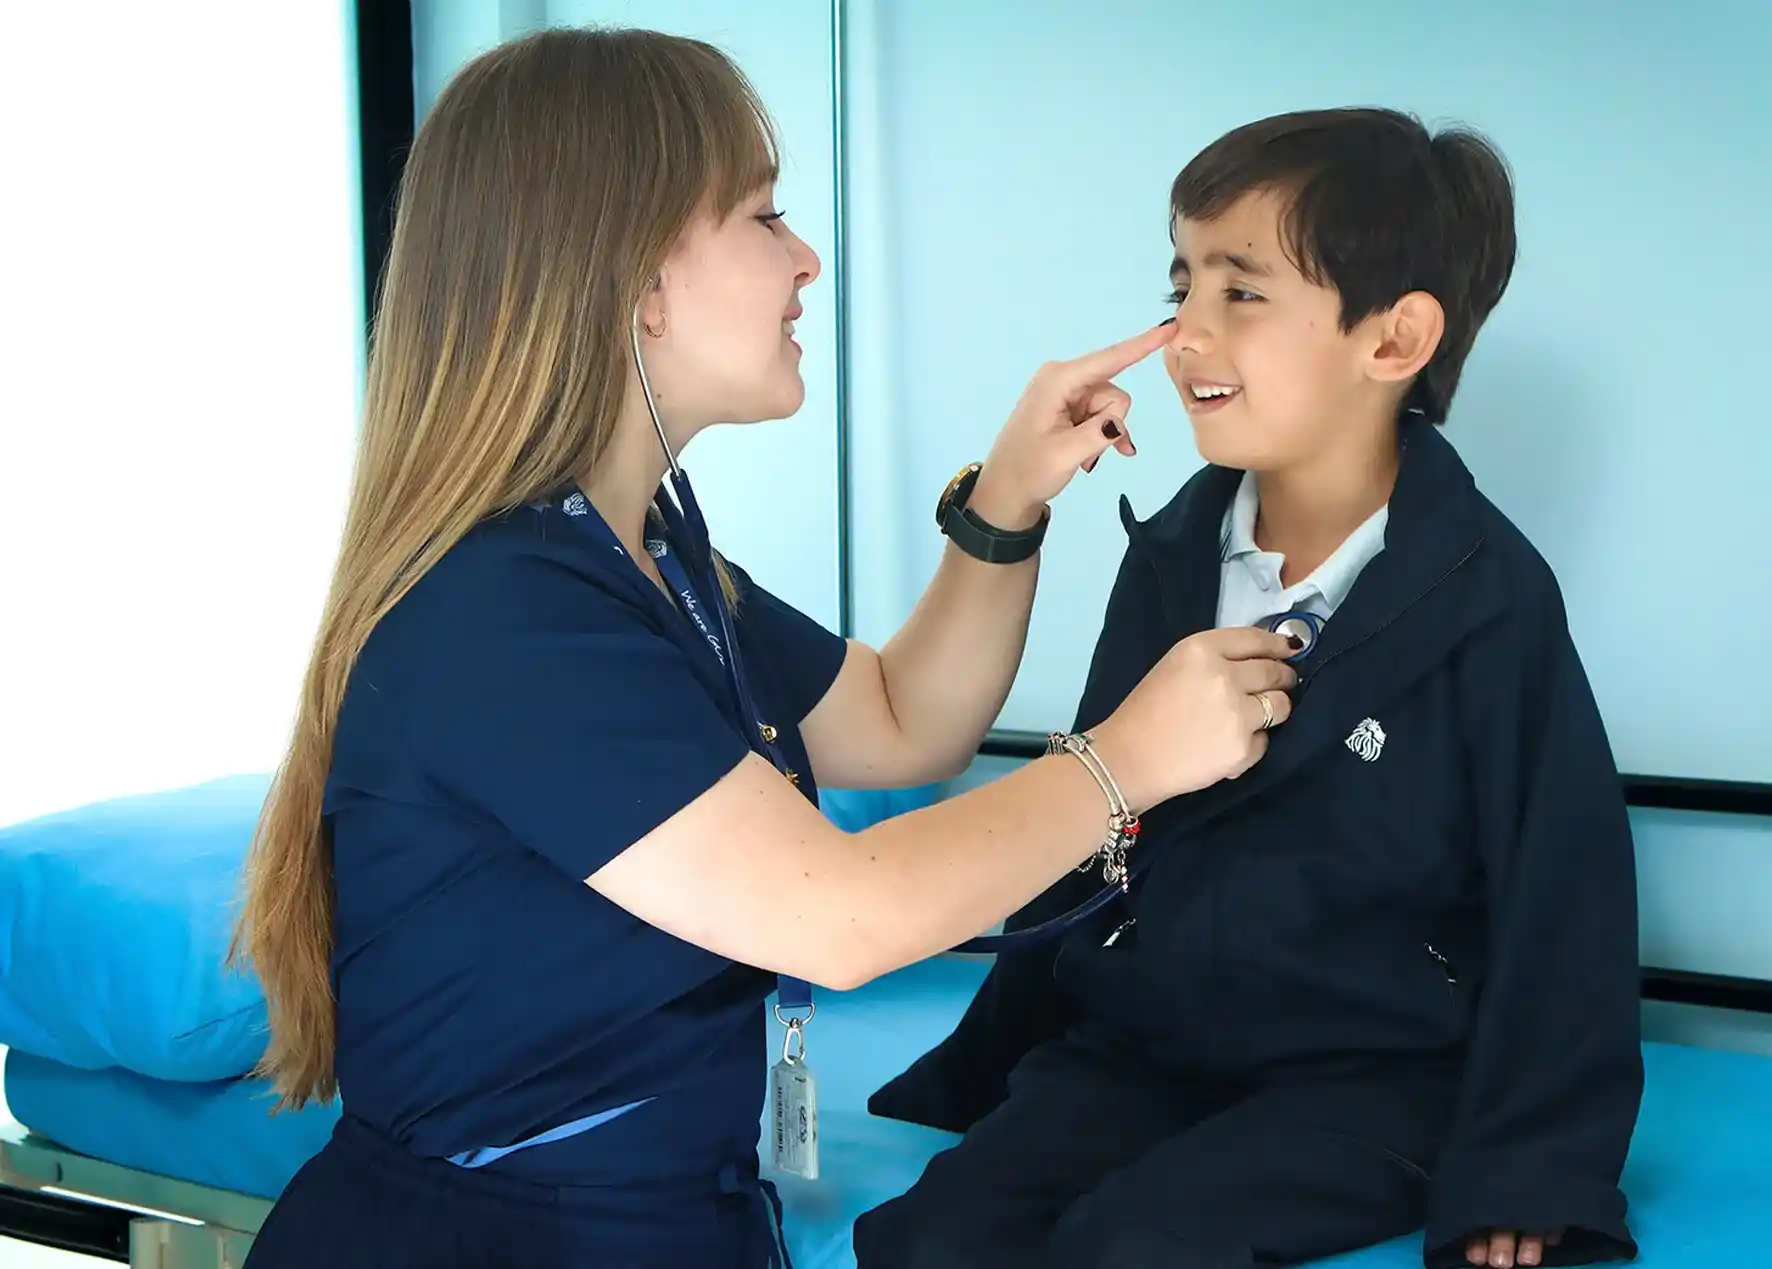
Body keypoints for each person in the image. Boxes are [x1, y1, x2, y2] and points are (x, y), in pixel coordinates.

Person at [228, 28, 1304, 1269]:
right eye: (764, 216)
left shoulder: (653, 559)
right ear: (636, 279)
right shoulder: (506, 618)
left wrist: (1007, 500)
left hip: (672, 1218)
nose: (805, 259)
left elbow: (902, 718)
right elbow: (840, 920)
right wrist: (1127, 761)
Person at [859, 109, 1644, 1269]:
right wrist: (1002, 1050)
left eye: (1242, 292)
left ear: (1394, 339)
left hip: (1374, 1078)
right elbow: (1094, 808)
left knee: (1136, 1247)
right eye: (1181, 287)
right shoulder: (1172, 558)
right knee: (929, 1238)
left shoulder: (1491, 599)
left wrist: (1530, 1169)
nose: (1188, 334)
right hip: (1147, 1048)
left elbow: (1563, 896)